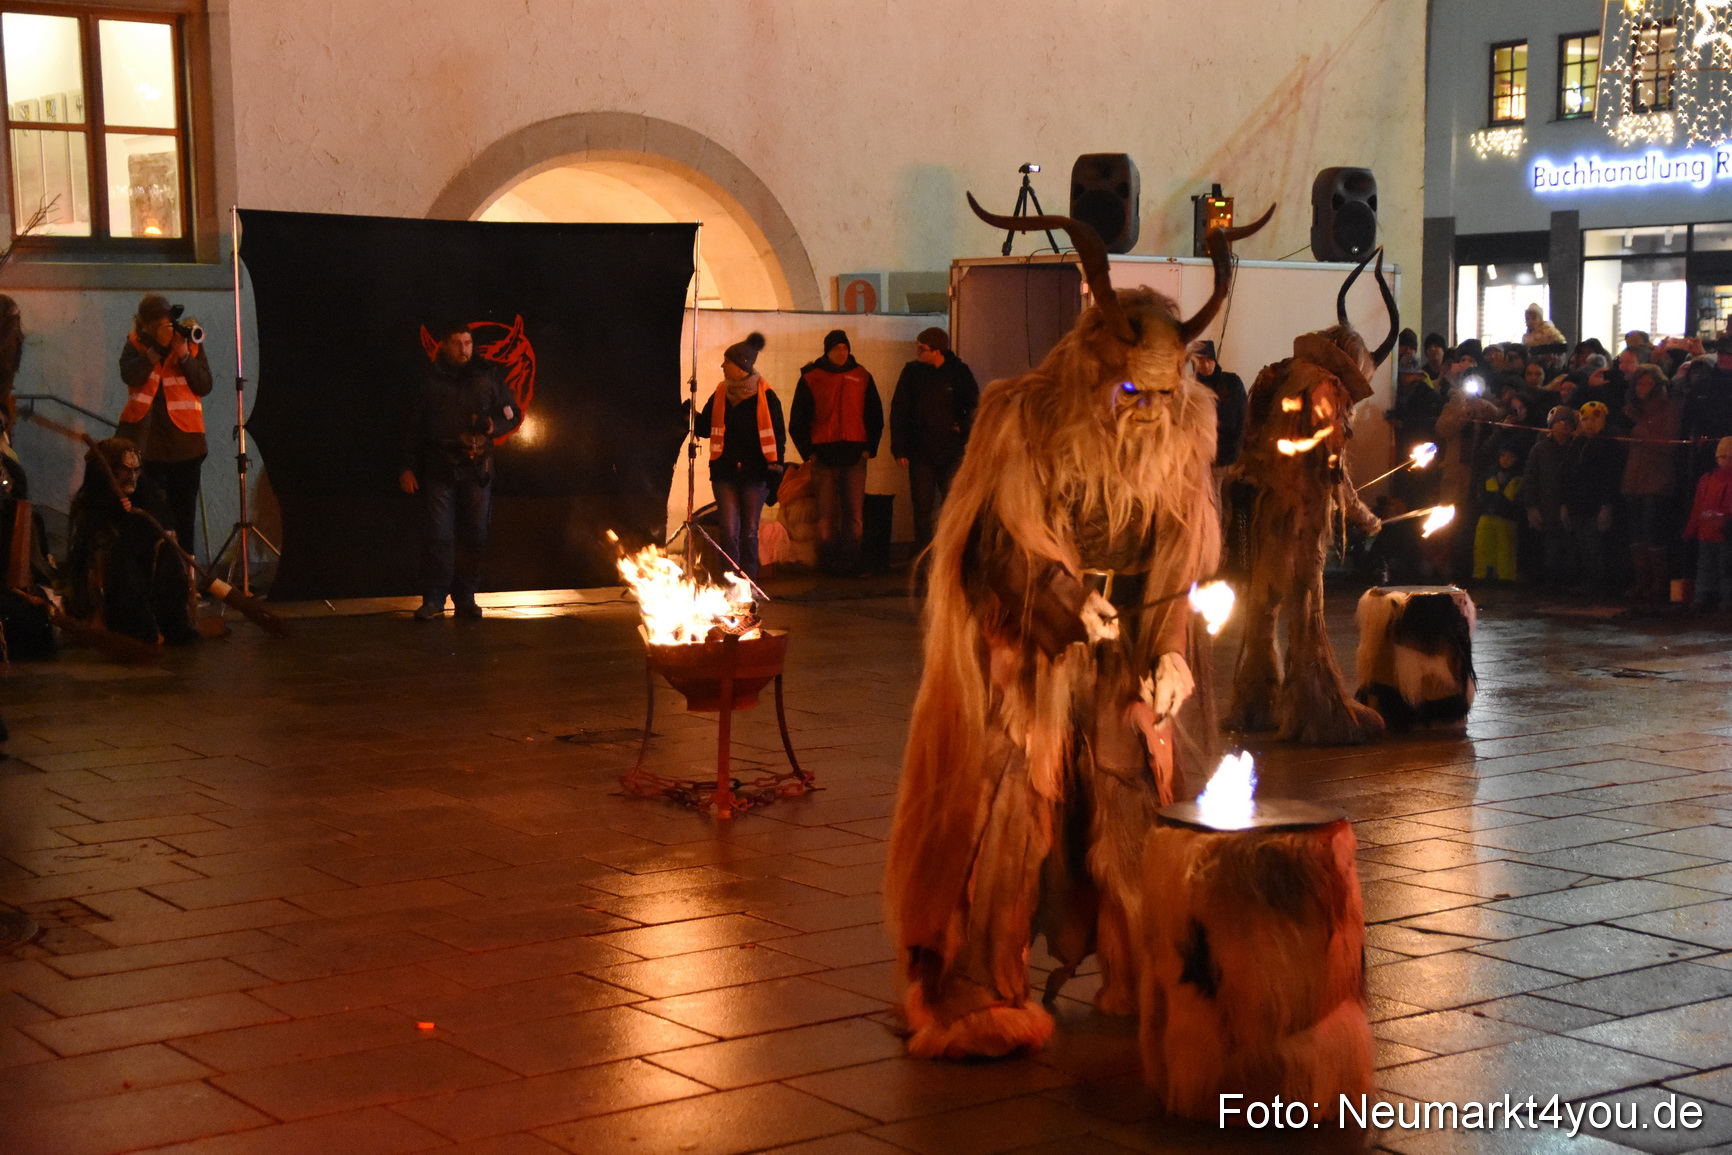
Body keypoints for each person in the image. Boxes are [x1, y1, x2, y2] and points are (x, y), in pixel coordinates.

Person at [399, 321, 522, 620]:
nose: (464, 349)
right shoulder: (429, 379)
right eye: (457, 343)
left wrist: (495, 426)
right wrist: (407, 467)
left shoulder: (487, 375)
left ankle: (466, 597)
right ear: (443, 345)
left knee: (475, 535)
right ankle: (434, 599)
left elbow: (512, 413)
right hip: (439, 465)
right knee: (438, 535)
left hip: (478, 468)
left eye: (468, 343)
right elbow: (411, 428)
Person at [64, 437, 199, 645]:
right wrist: (114, 509)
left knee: (166, 551)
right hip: (115, 563)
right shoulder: (93, 496)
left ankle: (173, 624)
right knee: (121, 556)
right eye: (126, 470)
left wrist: (142, 522)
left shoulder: (146, 493)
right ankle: (136, 626)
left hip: (145, 558)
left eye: (137, 470)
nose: (133, 477)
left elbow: (159, 523)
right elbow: (92, 532)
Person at [117, 294, 213, 554]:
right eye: (160, 324)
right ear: (145, 325)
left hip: (186, 445)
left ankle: (186, 579)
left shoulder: (189, 344)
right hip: (146, 446)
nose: (168, 328)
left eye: (168, 321)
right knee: (149, 515)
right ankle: (152, 574)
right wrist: (156, 350)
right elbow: (131, 374)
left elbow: (204, 384)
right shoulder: (136, 344)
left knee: (184, 517)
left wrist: (183, 356)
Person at [790, 329, 883, 575]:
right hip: (824, 456)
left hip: (855, 455)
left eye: (845, 348)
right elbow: (797, 419)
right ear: (827, 351)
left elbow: (875, 415)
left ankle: (851, 564)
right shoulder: (812, 378)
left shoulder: (862, 376)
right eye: (836, 348)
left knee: (854, 517)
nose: (841, 353)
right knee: (826, 517)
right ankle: (829, 565)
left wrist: (868, 450)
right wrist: (808, 453)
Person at [694, 332, 784, 581]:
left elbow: (777, 436)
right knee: (729, 531)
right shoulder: (720, 393)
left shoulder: (767, 397)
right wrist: (689, 412)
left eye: (727, 362)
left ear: (742, 365)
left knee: (750, 531)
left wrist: (776, 470)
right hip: (724, 473)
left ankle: (748, 582)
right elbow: (704, 429)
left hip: (755, 474)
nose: (723, 366)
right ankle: (729, 580)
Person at [890, 327, 978, 553]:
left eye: (922, 348)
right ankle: (924, 553)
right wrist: (899, 448)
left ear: (937, 351)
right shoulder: (912, 373)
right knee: (922, 508)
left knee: (951, 504)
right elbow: (899, 410)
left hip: (951, 450)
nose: (917, 352)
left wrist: (963, 429)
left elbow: (976, 406)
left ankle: (950, 551)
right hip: (921, 451)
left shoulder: (959, 373)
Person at [1620, 364, 1684, 600]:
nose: (1642, 388)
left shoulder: (1670, 407)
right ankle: (1641, 581)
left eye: (1647, 383)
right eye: (1639, 383)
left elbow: (1668, 444)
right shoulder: (1634, 409)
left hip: (1657, 479)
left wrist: (1639, 428)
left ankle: (1659, 582)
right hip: (1634, 479)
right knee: (1635, 534)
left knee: (1654, 533)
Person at [1561, 401, 1624, 596]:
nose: (1589, 424)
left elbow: (1610, 477)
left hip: (1595, 503)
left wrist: (1606, 505)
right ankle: (1588, 579)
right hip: (1577, 503)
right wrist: (1565, 503)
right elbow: (1567, 474)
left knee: (1594, 544)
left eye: (1594, 419)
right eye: (1585, 419)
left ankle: (1600, 582)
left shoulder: (1609, 444)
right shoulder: (1577, 443)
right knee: (1582, 544)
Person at [1522, 406, 1577, 588]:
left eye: (1568, 423)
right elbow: (1530, 478)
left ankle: (1568, 580)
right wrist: (1531, 507)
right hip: (1547, 506)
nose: (1564, 426)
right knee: (1550, 546)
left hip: (1569, 506)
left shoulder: (1575, 448)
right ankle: (1551, 581)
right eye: (1560, 422)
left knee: (1570, 546)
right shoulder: (1540, 449)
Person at [1682, 437, 1732, 611]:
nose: (1727, 461)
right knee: (1705, 565)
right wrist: (1691, 529)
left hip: (1726, 532)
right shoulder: (1706, 480)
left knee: (1726, 567)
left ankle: (1727, 599)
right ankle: (1702, 596)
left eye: (1731, 458)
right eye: (1723, 457)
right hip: (1707, 532)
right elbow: (1698, 507)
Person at [1189, 339, 1246, 468]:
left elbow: (1243, 414)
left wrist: (1237, 445)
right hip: (1199, 456)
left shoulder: (1231, 383)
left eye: (1209, 360)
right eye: (1201, 361)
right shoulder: (1192, 389)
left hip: (1228, 452)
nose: (1206, 365)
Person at [1473, 446, 1524, 582]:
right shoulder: (1489, 474)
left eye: (1510, 456)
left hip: (1506, 517)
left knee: (1505, 549)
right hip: (1487, 515)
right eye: (1503, 456)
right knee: (1483, 546)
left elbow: (1518, 498)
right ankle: (1483, 575)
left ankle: (1505, 578)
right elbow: (1481, 494)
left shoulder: (1519, 477)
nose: (1506, 460)